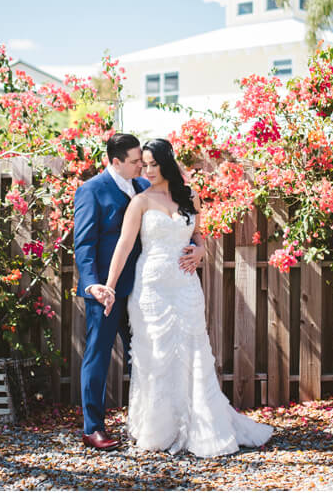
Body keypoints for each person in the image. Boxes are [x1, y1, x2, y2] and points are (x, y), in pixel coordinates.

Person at [98, 138, 273, 457]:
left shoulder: (190, 195)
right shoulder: (140, 201)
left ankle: (205, 425)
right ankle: (159, 430)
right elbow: (123, 246)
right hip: (151, 289)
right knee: (157, 356)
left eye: (153, 163)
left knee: (194, 354)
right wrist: (109, 286)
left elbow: (198, 235)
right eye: (144, 164)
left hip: (186, 285)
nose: (147, 170)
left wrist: (202, 250)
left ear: (167, 162)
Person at [73, 133, 205, 451]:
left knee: (149, 357)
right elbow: (85, 244)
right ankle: (93, 428)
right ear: (115, 162)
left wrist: (198, 251)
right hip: (107, 291)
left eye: (144, 162)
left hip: (147, 290)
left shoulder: (147, 188)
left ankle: (154, 423)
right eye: (135, 162)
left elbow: (185, 226)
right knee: (98, 355)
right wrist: (94, 285)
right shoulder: (91, 191)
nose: (142, 167)